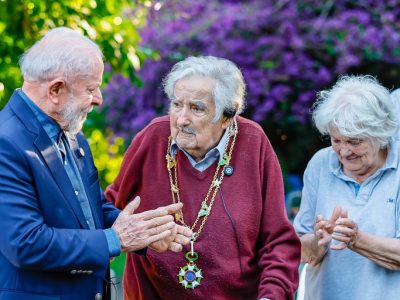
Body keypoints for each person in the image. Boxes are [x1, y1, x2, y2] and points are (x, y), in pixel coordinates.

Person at [0, 27, 192, 300]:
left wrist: (146, 232)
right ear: (56, 89)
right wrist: (117, 240)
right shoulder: (6, 142)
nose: (99, 99)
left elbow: (91, 210)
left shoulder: (69, 131)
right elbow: (25, 243)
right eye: (91, 88)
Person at [105, 56, 301, 300]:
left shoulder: (254, 143)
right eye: (177, 105)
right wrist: (114, 238)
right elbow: (108, 210)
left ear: (227, 117)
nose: (181, 119)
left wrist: (272, 296)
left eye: (196, 108)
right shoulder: (153, 138)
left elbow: (277, 241)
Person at [294, 75, 400, 300]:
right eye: (336, 140)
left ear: (381, 134)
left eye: (355, 141)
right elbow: (299, 250)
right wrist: (318, 240)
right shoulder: (320, 164)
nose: (343, 151)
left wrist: (356, 240)